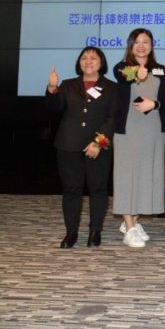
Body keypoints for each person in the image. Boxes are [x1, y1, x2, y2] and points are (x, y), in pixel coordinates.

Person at [46, 47, 118, 248]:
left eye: (93, 58)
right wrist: (52, 88)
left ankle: (95, 231)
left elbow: (113, 118)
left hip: (98, 147)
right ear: (79, 63)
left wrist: (98, 143)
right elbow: (53, 108)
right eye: (84, 58)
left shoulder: (111, 88)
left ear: (101, 63)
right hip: (68, 145)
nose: (88, 61)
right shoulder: (68, 85)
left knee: (98, 189)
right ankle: (71, 233)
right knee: (71, 190)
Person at [113, 28, 165, 248]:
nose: (141, 46)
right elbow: (123, 76)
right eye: (136, 42)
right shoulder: (121, 67)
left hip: (153, 130)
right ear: (130, 45)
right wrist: (136, 74)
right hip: (128, 131)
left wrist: (154, 104)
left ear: (151, 45)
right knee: (127, 176)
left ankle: (132, 222)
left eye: (145, 42)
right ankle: (129, 228)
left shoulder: (160, 70)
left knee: (147, 176)